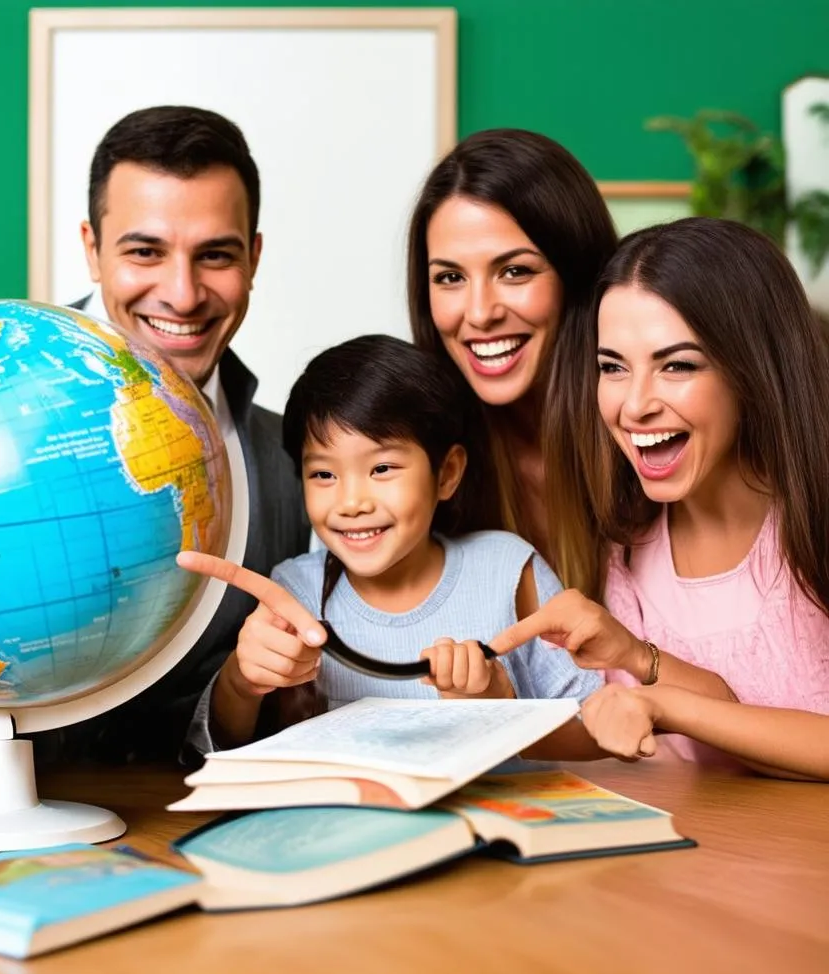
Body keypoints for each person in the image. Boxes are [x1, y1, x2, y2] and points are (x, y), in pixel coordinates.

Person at [0, 106, 311, 801]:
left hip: (177, 860)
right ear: (91, 247)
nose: (183, 293)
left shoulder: (294, 464)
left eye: (215, 254)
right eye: (144, 251)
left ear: (254, 257)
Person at [489, 217, 829, 780]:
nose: (634, 405)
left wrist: (665, 701)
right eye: (613, 368)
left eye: (677, 365)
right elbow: (688, 731)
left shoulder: (812, 519)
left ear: (753, 368)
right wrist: (627, 658)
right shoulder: (631, 546)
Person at [181, 335, 600, 754]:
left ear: (447, 473)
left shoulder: (508, 569)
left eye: (382, 468)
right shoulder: (294, 591)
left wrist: (499, 708)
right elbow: (223, 749)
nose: (351, 504)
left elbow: (599, 731)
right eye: (324, 475)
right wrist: (241, 681)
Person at [407, 128, 618, 597]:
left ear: (576, 276)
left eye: (515, 271)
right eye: (450, 277)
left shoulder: (647, 437)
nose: (480, 313)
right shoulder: (420, 461)